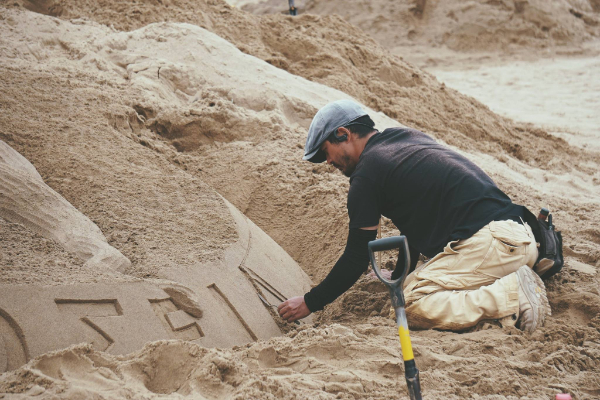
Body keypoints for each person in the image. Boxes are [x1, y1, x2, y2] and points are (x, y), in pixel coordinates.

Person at [277, 99, 551, 332]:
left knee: (408, 303)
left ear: (343, 134)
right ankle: (516, 276)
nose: (328, 161)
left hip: (493, 246)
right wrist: (398, 274)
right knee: (409, 284)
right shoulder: (404, 138)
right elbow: (416, 223)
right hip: (522, 237)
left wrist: (311, 302)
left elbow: (356, 256)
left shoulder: (367, 175)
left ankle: (512, 296)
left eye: (326, 151)